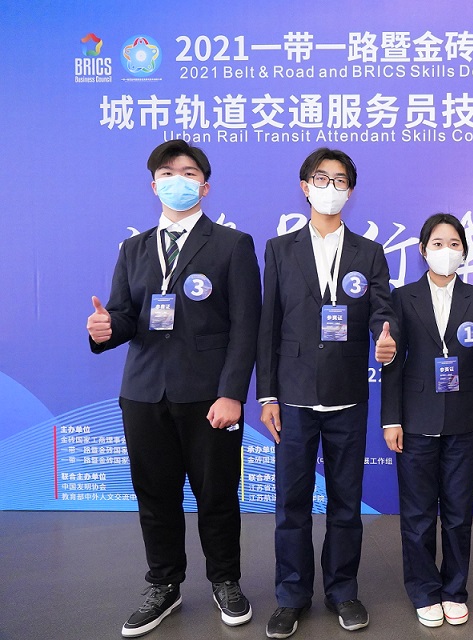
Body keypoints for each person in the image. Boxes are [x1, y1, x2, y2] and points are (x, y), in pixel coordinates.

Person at [86, 140, 261, 637]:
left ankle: (225, 580)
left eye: (187, 172)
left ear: (204, 186)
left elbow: (246, 326)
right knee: (155, 496)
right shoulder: (134, 248)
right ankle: (164, 584)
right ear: (153, 185)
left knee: (217, 495)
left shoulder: (232, 244)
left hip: (209, 397)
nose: (176, 180)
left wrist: (232, 393)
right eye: (167, 173)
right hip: (144, 393)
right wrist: (104, 329)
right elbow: (124, 315)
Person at [257, 147, 397, 638]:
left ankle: (343, 591)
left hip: (347, 395)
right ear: (305, 186)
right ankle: (291, 596)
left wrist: (384, 336)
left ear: (350, 191)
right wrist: (267, 395)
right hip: (293, 397)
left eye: (340, 181)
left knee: (345, 503)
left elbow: (382, 309)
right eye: (322, 178)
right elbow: (268, 326)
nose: (331, 188)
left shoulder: (369, 252)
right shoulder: (279, 249)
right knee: (291, 504)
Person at [380, 213, 473, 628]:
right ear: (423, 250)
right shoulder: (402, 298)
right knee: (418, 515)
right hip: (415, 421)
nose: (446, 250)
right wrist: (391, 420)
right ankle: (424, 590)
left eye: (454, 244)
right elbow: (393, 363)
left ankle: (454, 589)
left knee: (458, 514)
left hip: (463, 421)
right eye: (437, 243)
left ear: (464, 252)